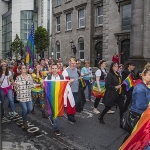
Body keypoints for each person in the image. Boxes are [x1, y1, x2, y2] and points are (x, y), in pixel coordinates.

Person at [45, 63, 64, 136]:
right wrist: (42, 83)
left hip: (59, 98)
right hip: (51, 98)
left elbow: (64, 86)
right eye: (53, 68)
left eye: (56, 68)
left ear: (58, 69)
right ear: (51, 69)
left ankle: (51, 117)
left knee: (55, 111)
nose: (54, 70)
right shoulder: (48, 77)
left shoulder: (61, 77)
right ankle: (56, 128)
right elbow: (45, 86)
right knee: (55, 112)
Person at [62, 58, 78, 122]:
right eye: (72, 63)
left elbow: (76, 78)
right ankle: (70, 116)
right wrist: (70, 81)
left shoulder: (76, 69)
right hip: (69, 91)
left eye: (74, 63)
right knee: (70, 103)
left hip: (76, 89)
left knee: (75, 102)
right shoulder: (65, 71)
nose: (73, 64)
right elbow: (63, 81)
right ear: (69, 63)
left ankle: (72, 114)